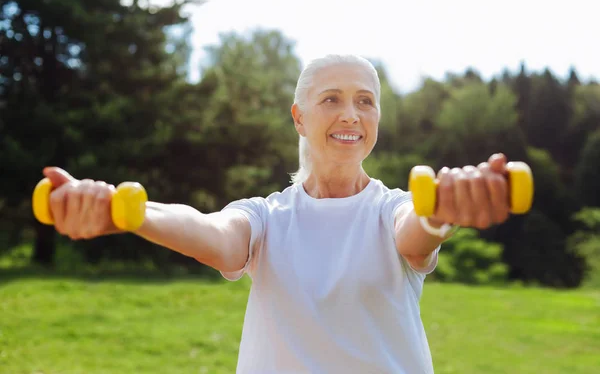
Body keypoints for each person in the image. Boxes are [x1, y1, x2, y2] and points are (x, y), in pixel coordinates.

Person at [42, 54, 512, 373]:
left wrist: (444, 210)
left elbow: (416, 235)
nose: (351, 114)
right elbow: (213, 233)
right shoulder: (267, 216)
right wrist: (129, 214)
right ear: (300, 117)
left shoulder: (393, 208)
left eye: (365, 101)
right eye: (331, 99)